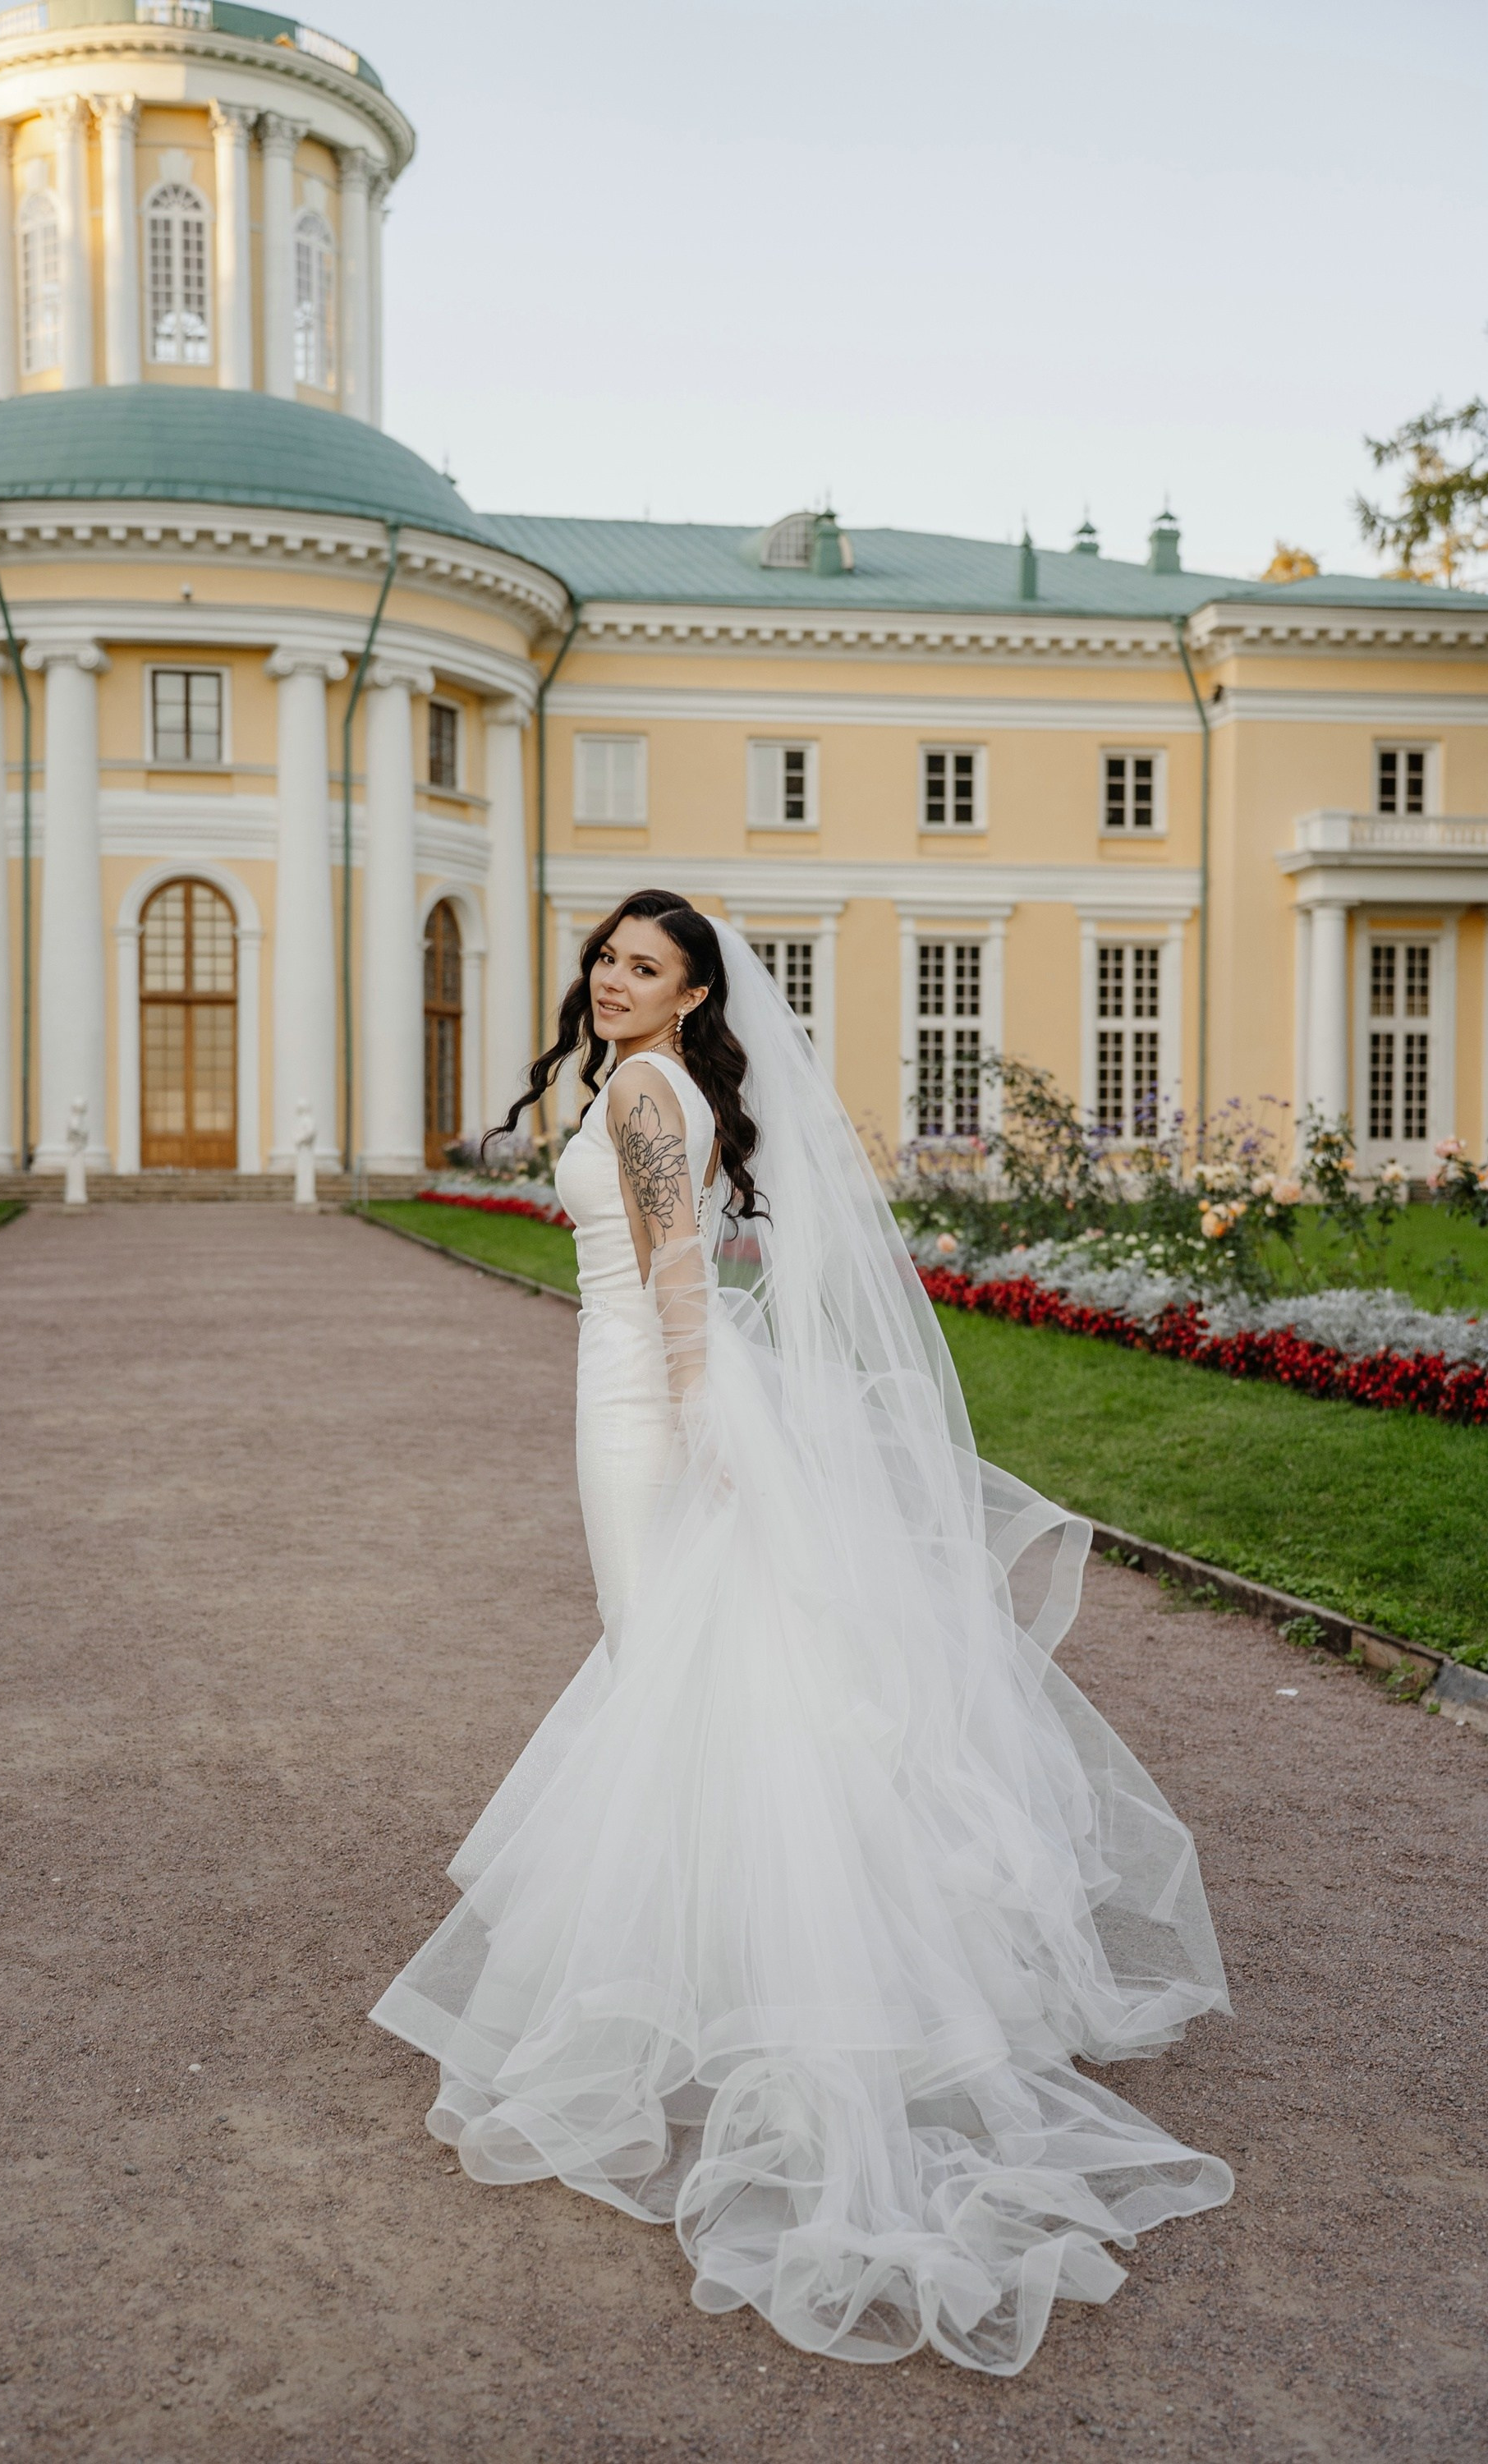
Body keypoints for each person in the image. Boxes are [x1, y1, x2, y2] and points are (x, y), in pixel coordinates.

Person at [371, 890, 1233, 2371]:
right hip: (638, 1395)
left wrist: (706, 1419)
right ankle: (729, 1965)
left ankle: (752, 1986)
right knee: (692, 1678)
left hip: (649, 1407)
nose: (609, 980)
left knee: (675, 1676)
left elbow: (675, 1269)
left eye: (642, 967)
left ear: (697, 995)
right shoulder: (649, 1085)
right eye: (603, 958)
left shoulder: (645, 1090)